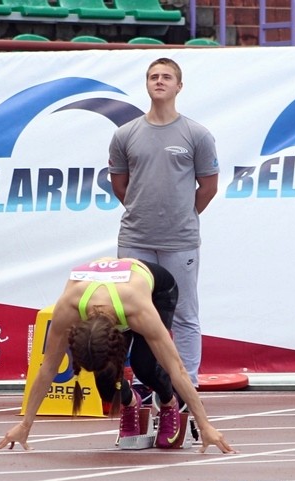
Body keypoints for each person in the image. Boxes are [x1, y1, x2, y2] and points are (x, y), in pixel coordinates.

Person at [0, 257, 234, 453]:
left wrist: (205, 425)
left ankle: (169, 403)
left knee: (145, 365)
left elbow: (177, 368)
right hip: (107, 293)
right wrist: (25, 425)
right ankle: (131, 403)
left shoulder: (138, 311)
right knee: (105, 384)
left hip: (156, 288)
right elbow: (47, 367)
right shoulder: (67, 308)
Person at [108, 57, 219, 388]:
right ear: (146, 84)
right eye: (153, 76)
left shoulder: (196, 134)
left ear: (178, 86)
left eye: (166, 77)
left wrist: (182, 215)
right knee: (130, 315)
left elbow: (208, 186)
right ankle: (140, 385)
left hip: (180, 241)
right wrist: (144, 211)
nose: (159, 81)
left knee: (184, 316)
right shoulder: (125, 134)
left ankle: (187, 386)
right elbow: (119, 184)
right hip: (135, 240)